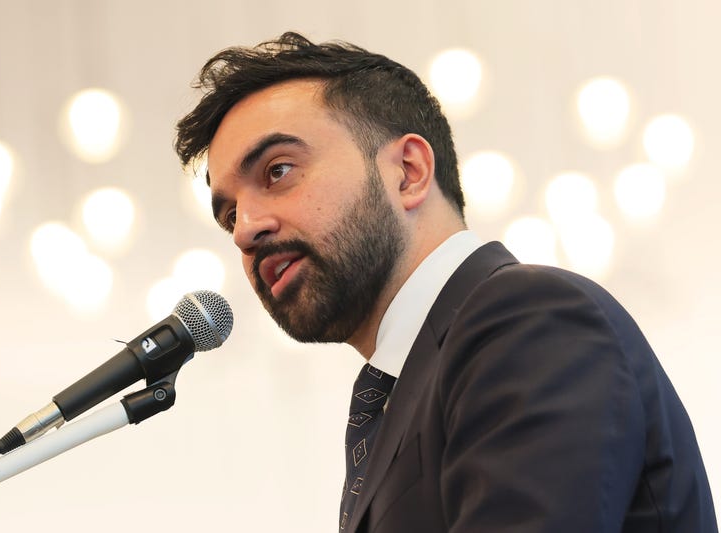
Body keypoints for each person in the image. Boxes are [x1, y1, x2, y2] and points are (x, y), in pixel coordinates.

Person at [174, 32, 717, 532]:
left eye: (277, 171)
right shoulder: (405, 389)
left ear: (408, 171)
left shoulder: (527, 319)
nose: (245, 230)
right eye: (228, 216)